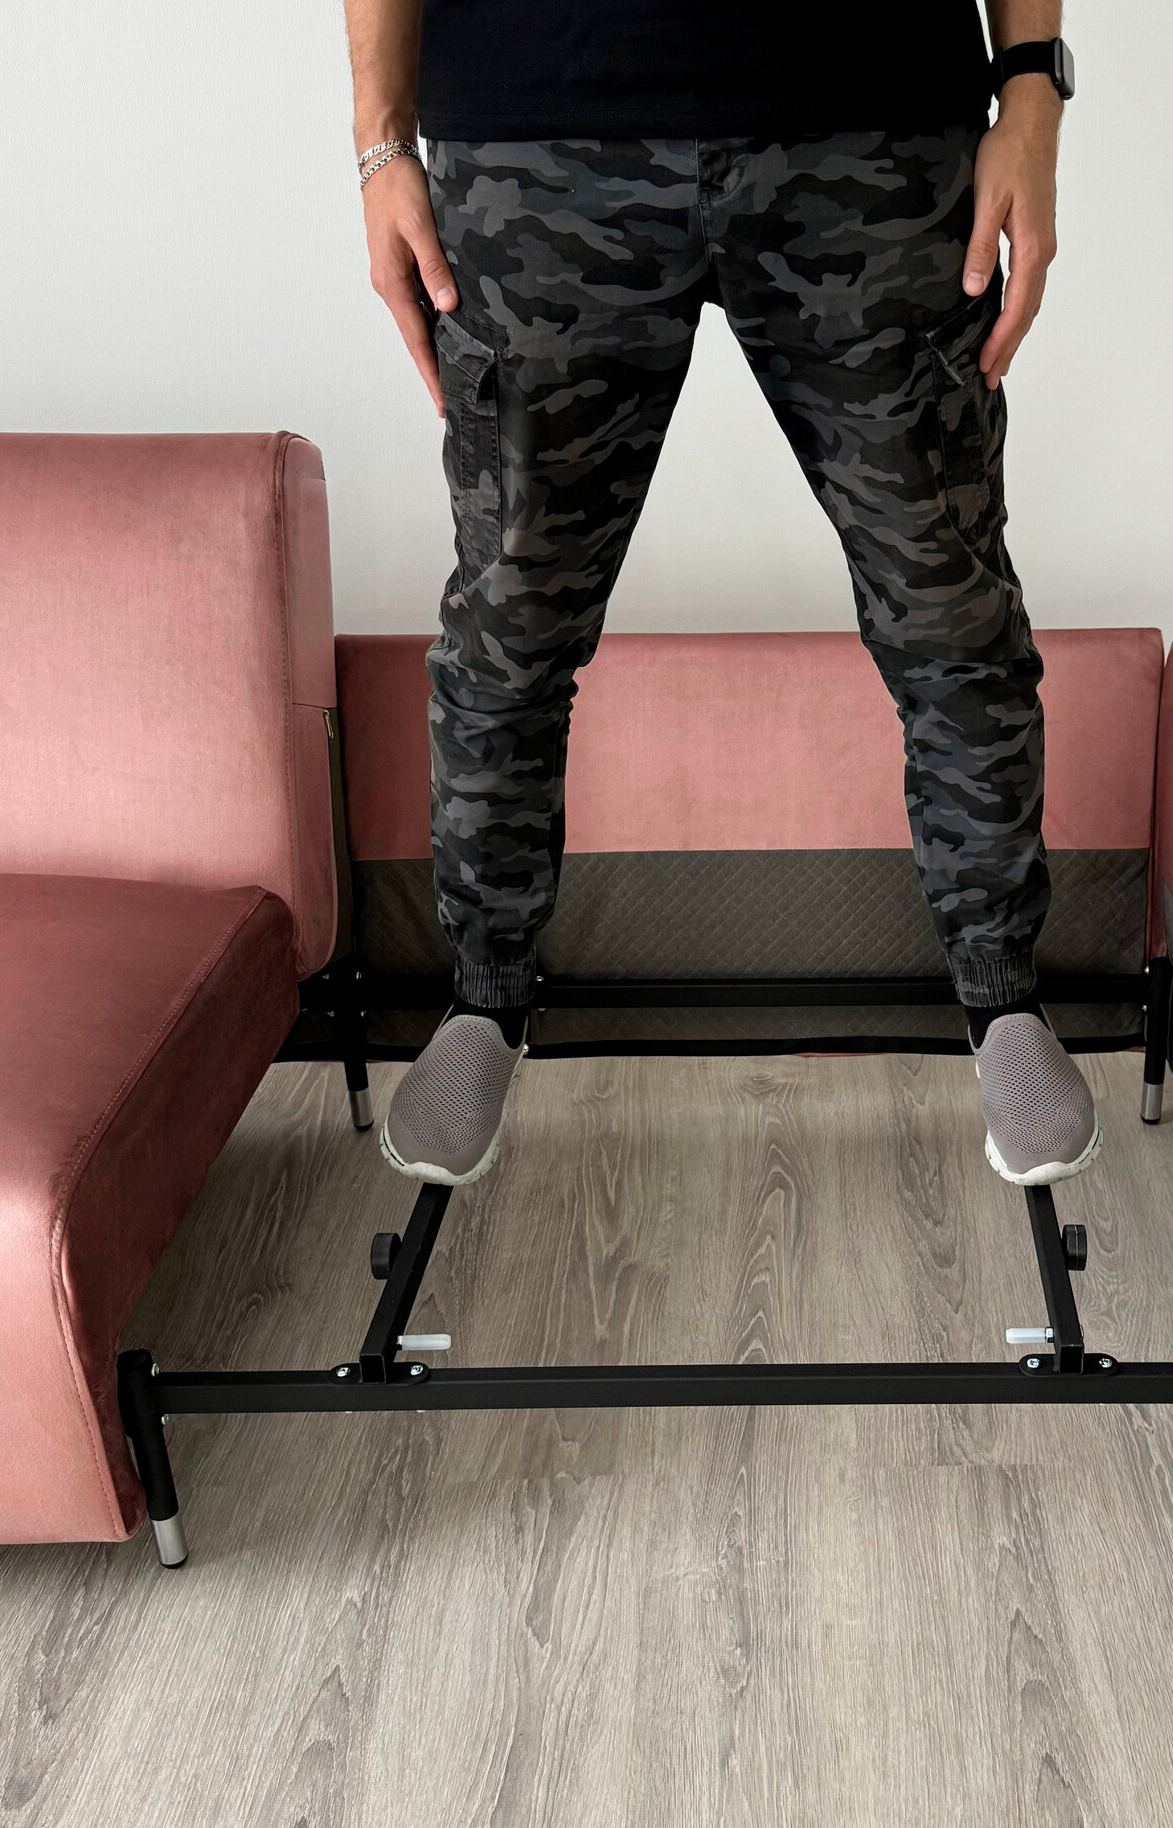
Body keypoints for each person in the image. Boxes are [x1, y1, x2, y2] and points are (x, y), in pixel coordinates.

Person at [344, 0, 1096, 1190]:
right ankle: (483, 997)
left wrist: (1031, 90)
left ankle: (1004, 997)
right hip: (538, 133)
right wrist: (380, 143)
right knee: (511, 614)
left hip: (870, 126)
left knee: (943, 596)